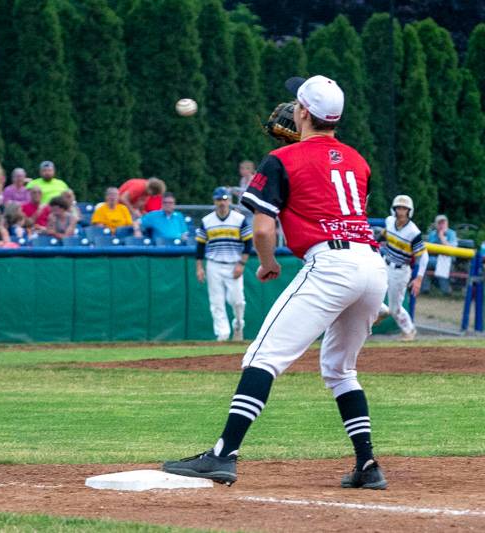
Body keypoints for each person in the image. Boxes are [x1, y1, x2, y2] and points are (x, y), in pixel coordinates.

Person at [163, 75, 389, 490]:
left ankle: (223, 455)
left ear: (304, 112)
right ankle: (367, 464)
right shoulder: (358, 160)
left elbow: (263, 229)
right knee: (341, 369)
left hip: (330, 263)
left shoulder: (281, 158)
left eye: (296, 102)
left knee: (261, 358)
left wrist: (266, 264)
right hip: (372, 265)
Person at [191, 187, 250, 341]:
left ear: (229, 200)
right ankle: (222, 334)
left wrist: (241, 264)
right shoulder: (207, 221)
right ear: (214, 201)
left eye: (224, 199)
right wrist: (199, 267)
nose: (222, 202)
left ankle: (238, 325)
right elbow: (200, 245)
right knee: (216, 301)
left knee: (237, 300)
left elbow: (248, 243)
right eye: (219, 199)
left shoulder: (239, 219)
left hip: (234, 263)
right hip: (214, 263)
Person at [374, 195, 427, 341]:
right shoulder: (390, 221)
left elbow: (424, 256)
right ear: (394, 209)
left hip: (401, 270)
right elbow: (384, 235)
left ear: (409, 211)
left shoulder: (413, 232)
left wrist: (419, 279)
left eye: (404, 208)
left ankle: (409, 330)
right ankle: (382, 311)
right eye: (398, 207)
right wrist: (373, 243)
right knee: (371, 288)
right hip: (385, 263)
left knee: (395, 308)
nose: (400, 211)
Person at [422, 214, 457, 295]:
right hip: (433, 258)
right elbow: (428, 249)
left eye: (443, 223)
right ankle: (425, 289)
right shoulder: (432, 234)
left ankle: (446, 291)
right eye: (439, 223)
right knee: (424, 262)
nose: (442, 225)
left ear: (447, 224)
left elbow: (452, 249)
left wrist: (441, 237)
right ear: (436, 224)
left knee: (440, 264)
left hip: (447, 259)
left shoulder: (452, 233)